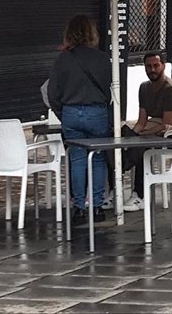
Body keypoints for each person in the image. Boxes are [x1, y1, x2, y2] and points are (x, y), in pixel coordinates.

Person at [48, 15, 111, 226]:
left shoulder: (63, 59)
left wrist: (62, 112)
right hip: (97, 111)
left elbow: (52, 92)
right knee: (99, 158)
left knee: (77, 160)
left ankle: (78, 208)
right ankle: (97, 206)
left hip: (71, 112)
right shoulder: (102, 58)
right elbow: (111, 88)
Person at [120, 53, 172, 212]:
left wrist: (140, 136)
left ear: (163, 66)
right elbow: (141, 122)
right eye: (148, 66)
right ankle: (115, 183)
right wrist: (131, 136)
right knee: (124, 134)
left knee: (142, 147)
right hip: (159, 127)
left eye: (156, 65)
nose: (152, 69)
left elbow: (167, 124)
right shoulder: (144, 87)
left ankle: (140, 195)